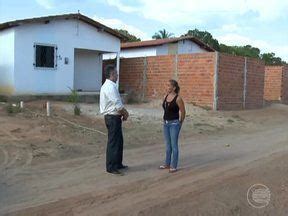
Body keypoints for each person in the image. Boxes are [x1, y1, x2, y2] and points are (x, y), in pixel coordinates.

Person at [100, 65, 129, 175]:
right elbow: (117, 104)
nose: (117, 75)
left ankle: (117, 163)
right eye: (116, 73)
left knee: (118, 141)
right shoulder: (110, 87)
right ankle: (111, 166)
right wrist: (125, 113)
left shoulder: (110, 86)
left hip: (114, 117)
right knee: (113, 142)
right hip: (112, 117)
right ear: (112, 74)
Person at [159, 79, 186, 173]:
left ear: (174, 87)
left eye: (169, 85)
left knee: (174, 145)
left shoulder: (178, 99)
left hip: (174, 124)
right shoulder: (165, 96)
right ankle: (167, 164)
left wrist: (180, 123)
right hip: (166, 123)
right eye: (167, 85)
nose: (167, 87)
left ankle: (173, 165)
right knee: (167, 145)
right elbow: (165, 109)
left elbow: (183, 112)